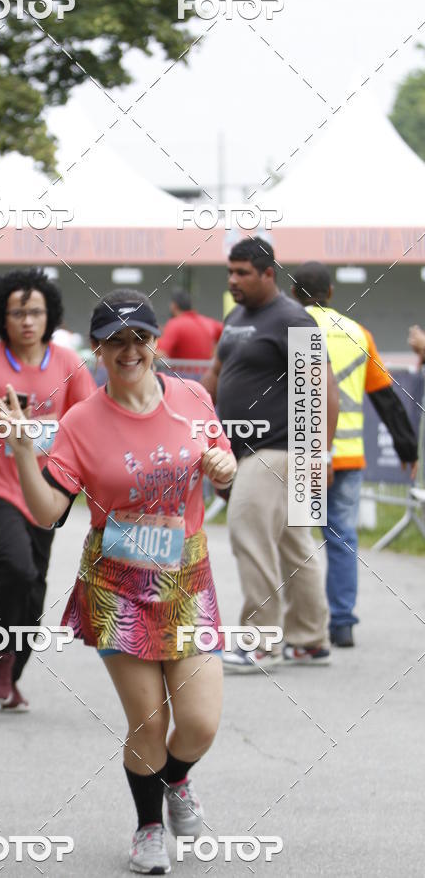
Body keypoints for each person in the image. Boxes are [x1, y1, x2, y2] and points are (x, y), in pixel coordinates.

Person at [0, 289, 236, 874]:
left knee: (198, 723)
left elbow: (220, 463)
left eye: (141, 338)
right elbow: (50, 512)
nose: (130, 350)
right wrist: (25, 452)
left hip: (186, 577)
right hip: (117, 583)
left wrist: (223, 468)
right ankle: (148, 828)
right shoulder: (80, 422)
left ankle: (175, 782)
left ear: (155, 343)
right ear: (97, 348)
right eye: (116, 340)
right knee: (148, 721)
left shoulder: (193, 397)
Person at [0, 269, 96, 711]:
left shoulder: (67, 363)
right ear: (3, 316)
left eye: (35, 312)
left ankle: (11, 672)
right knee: (16, 565)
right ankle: (0, 651)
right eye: (17, 312)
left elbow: (90, 420)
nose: (26, 321)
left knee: (35, 591)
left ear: (49, 315)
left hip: (46, 488)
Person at [203, 237, 339, 671]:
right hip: (241, 451)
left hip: (279, 450)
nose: (233, 280)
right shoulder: (235, 316)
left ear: (268, 274)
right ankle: (310, 639)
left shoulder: (291, 318)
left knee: (249, 532)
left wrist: (322, 454)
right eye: (230, 272)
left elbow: (322, 389)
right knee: (293, 542)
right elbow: (215, 374)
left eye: (243, 272)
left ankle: (261, 643)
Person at [292, 262, 419, 647]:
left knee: (296, 539)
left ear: (293, 292)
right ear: (330, 292)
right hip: (347, 457)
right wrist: (407, 448)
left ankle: (300, 623)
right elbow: (386, 397)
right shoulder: (357, 333)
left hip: (302, 454)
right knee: (342, 538)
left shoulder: (288, 326)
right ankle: (342, 623)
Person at [154, 289, 223, 361]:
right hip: (205, 371)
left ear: (174, 306)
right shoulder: (209, 322)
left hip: (179, 372)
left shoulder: (175, 324)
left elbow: (160, 352)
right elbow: (227, 334)